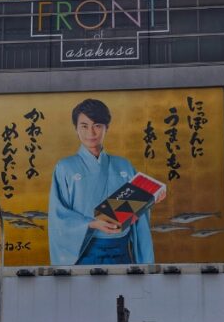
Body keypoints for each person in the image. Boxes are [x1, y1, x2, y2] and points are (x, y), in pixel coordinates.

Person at [48, 98, 154, 266]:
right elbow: (58, 215)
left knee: (122, 293)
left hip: (121, 250)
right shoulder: (65, 167)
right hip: (84, 252)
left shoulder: (124, 165)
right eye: (84, 126)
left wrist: (149, 200)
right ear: (76, 129)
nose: (91, 132)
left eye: (97, 125)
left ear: (107, 128)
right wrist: (91, 224)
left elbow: (139, 218)